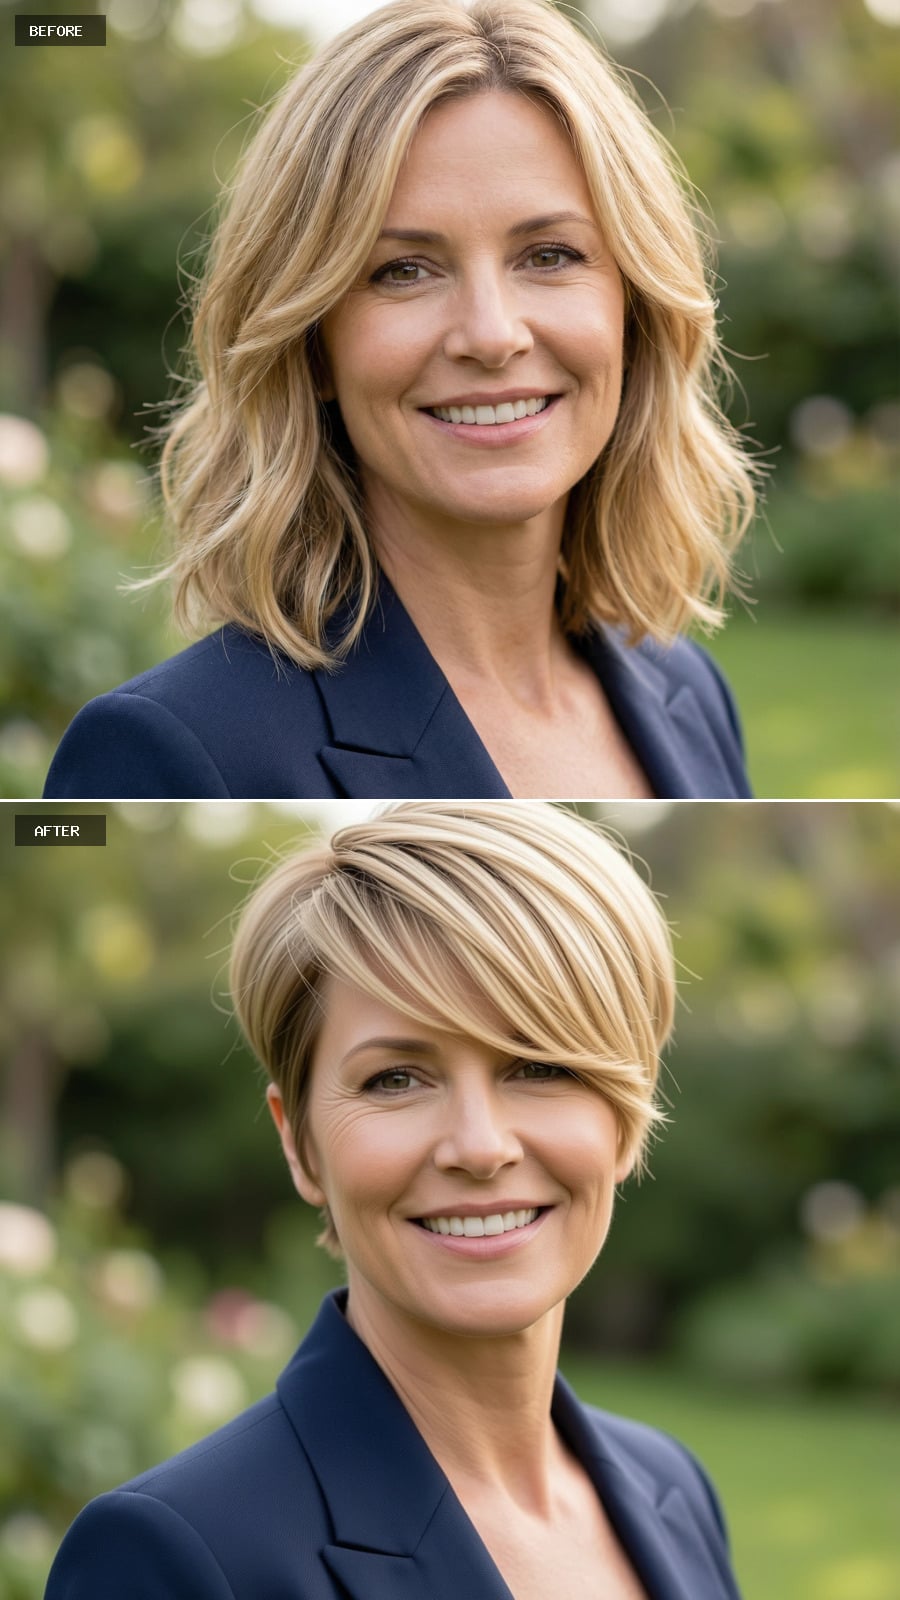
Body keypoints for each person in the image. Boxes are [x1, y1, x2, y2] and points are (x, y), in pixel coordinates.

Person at [44, 0, 762, 802]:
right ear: (311, 342)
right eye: (404, 271)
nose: (491, 335)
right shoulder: (170, 752)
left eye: (549, 255)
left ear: (634, 308)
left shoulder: (690, 694)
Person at [45, 801, 744, 1599]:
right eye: (396, 1079)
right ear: (300, 1142)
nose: (479, 1146)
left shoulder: (674, 1491)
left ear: (625, 1114)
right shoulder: (170, 1556)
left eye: (540, 1065)